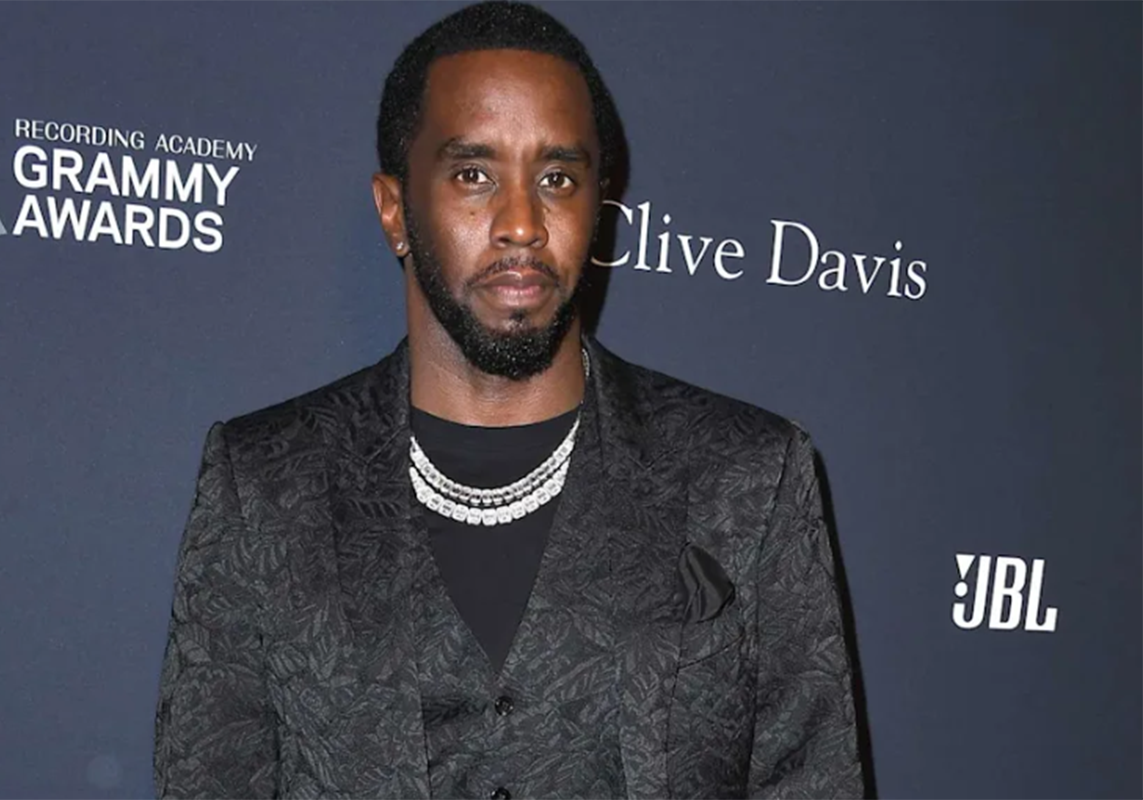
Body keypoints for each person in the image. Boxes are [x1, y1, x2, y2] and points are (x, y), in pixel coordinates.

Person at [153, 2, 864, 798]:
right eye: (473, 175)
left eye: (557, 178)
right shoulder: (265, 483)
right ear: (395, 210)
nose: (522, 223)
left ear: (597, 208)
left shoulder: (748, 476)